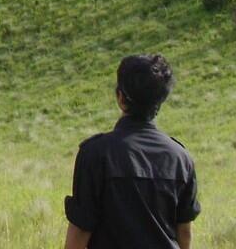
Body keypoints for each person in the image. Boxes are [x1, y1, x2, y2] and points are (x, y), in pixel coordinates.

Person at [64, 54, 199, 248]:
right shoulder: (181, 158)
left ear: (120, 97)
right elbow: (184, 234)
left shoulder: (95, 153)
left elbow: (79, 233)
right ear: (160, 101)